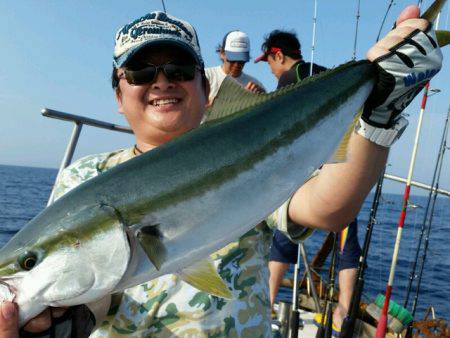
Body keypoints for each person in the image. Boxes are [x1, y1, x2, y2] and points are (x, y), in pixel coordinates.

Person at [8, 6, 442, 337]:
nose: (161, 82)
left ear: (205, 86)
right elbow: (104, 281)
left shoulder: (252, 147)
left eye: (178, 70)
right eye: (141, 72)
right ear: (119, 95)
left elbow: (327, 210)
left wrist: (377, 118)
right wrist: (70, 317)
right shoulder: (84, 179)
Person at [256, 29, 362, 333]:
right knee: (346, 233)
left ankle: (270, 301)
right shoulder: (324, 74)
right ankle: (344, 306)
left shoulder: (288, 79)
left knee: (282, 236)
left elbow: (276, 127)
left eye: (269, 62)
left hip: (304, 168)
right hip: (341, 164)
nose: (271, 69)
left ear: (278, 55)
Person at [206, 30, 265, 104]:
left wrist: (262, 97)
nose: (237, 64)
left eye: (241, 61)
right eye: (232, 60)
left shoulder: (255, 84)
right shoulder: (206, 77)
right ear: (222, 54)